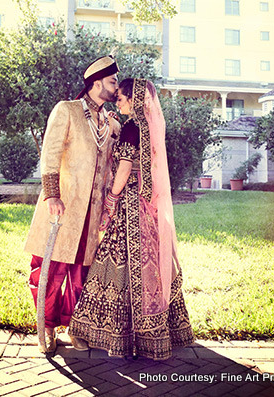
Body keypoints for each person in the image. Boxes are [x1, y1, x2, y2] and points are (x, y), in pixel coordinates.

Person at [68, 78, 194, 360]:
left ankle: (94, 330)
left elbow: (124, 169)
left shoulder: (130, 128)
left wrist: (111, 200)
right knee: (146, 264)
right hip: (147, 208)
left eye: (122, 98)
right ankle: (158, 335)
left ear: (135, 100)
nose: (118, 101)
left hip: (128, 204)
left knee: (112, 261)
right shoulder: (147, 127)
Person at [24, 55, 121, 353]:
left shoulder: (110, 122)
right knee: (50, 272)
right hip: (62, 208)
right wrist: (52, 194)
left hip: (91, 214)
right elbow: (50, 153)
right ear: (96, 83)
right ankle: (47, 328)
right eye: (113, 81)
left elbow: (109, 168)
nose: (116, 88)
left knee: (82, 275)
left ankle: (76, 326)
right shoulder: (67, 110)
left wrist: (108, 204)